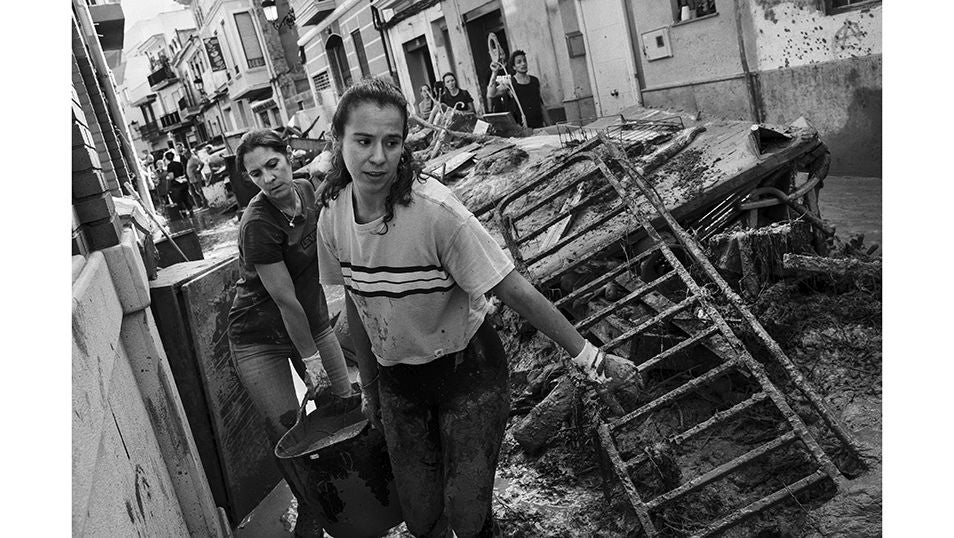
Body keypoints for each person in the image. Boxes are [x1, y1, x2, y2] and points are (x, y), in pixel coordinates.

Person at [316, 78, 635, 538]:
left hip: (469, 373)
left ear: (404, 145)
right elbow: (355, 300)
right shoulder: (332, 216)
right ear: (338, 140)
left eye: (391, 142)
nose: (378, 157)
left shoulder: (434, 212)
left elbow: (515, 290)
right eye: (363, 141)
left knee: (466, 515)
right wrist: (371, 389)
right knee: (422, 516)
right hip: (399, 382)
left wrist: (592, 356)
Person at [227, 129, 361, 537]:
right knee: (289, 430)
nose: (268, 178)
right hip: (258, 338)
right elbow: (285, 301)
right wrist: (311, 361)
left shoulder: (306, 188)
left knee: (347, 404)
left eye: (273, 164)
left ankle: (356, 490)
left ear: (288, 158)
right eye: (256, 174)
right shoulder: (257, 225)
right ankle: (310, 509)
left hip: (312, 319)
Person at [486, 50, 551, 128]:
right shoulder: (510, 83)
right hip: (521, 127)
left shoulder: (534, 81)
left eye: (524, 61)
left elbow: (540, 104)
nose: (523, 64)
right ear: (514, 67)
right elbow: (491, 94)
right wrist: (494, 73)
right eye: (519, 62)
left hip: (538, 125)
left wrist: (549, 125)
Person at [165, 150, 195, 218]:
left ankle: (184, 215)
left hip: (176, 185)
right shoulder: (179, 163)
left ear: (167, 159)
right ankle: (191, 212)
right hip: (184, 182)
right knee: (186, 198)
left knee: (179, 200)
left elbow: (171, 176)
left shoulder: (169, 166)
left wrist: (168, 178)